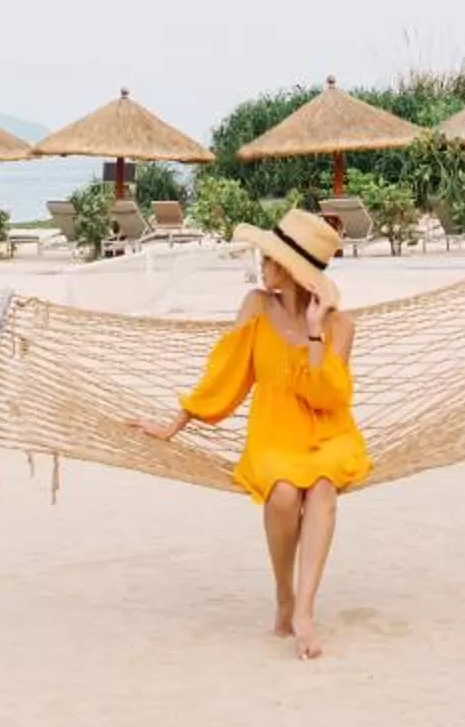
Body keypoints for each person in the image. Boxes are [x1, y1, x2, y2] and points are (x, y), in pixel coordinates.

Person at [132, 205, 369, 658]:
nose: (262, 266)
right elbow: (225, 374)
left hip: (328, 433)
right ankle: (284, 595)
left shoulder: (340, 325)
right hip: (274, 433)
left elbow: (329, 397)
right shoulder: (256, 306)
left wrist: (315, 334)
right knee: (282, 492)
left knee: (322, 488)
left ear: (295, 270)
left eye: (270, 259)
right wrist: (175, 424)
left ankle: (304, 611)